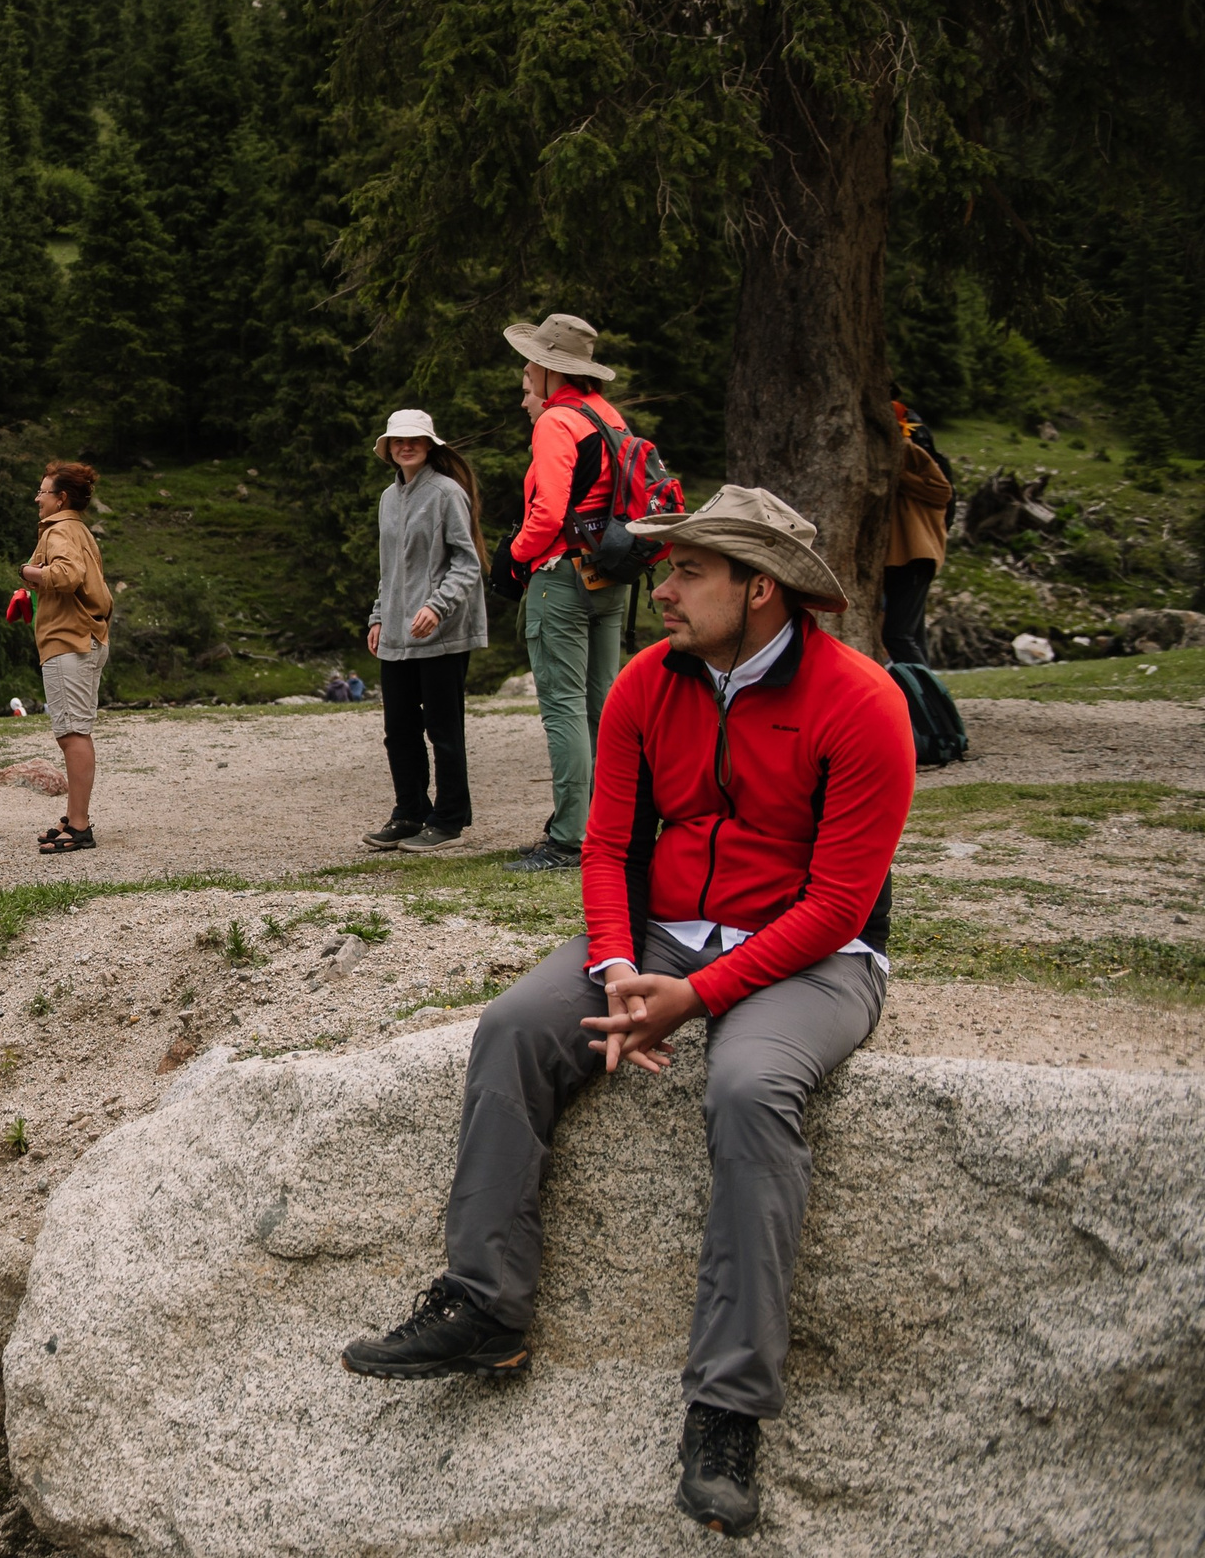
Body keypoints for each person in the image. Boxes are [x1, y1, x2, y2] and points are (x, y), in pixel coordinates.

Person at [338, 486, 914, 1540]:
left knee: (748, 1085)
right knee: (514, 1024)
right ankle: (486, 1305)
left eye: (689, 570)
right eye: (665, 566)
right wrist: (613, 967)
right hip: (654, 935)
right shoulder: (647, 681)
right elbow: (604, 847)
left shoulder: (862, 700)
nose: (662, 587)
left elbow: (838, 902)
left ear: (761, 587)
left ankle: (727, 1406)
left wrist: (699, 997)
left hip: (816, 955)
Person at [487, 312, 631, 874]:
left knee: (564, 707)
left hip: (562, 576)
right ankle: (607, 827)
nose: (525, 392)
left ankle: (570, 838)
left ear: (550, 372)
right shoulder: (610, 417)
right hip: (610, 573)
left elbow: (547, 510)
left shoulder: (556, 422)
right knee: (603, 704)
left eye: (528, 378)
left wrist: (517, 557)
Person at [362, 410, 490, 853]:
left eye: (414, 439)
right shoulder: (387, 498)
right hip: (397, 632)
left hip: (442, 632)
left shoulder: (446, 492)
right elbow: (388, 569)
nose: (405, 446)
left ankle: (449, 819)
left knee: (443, 727)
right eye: (398, 440)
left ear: (430, 444)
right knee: (398, 728)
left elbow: (467, 561)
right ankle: (409, 812)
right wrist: (378, 616)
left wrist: (438, 606)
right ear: (389, 449)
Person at [20, 460, 114, 854]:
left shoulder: (59, 531)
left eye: (43, 492)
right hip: (86, 638)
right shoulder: (79, 530)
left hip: (68, 642)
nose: (37, 499)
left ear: (61, 498)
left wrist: (28, 573)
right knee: (75, 730)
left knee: (72, 733)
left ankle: (79, 826)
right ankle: (75, 815)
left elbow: (68, 575)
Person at [881, 389, 953, 666]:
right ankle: (924, 697)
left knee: (898, 634)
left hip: (915, 555)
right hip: (898, 559)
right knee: (909, 632)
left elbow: (942, 491)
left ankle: (926, 696)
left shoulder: (910, 452)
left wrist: (899, 475)